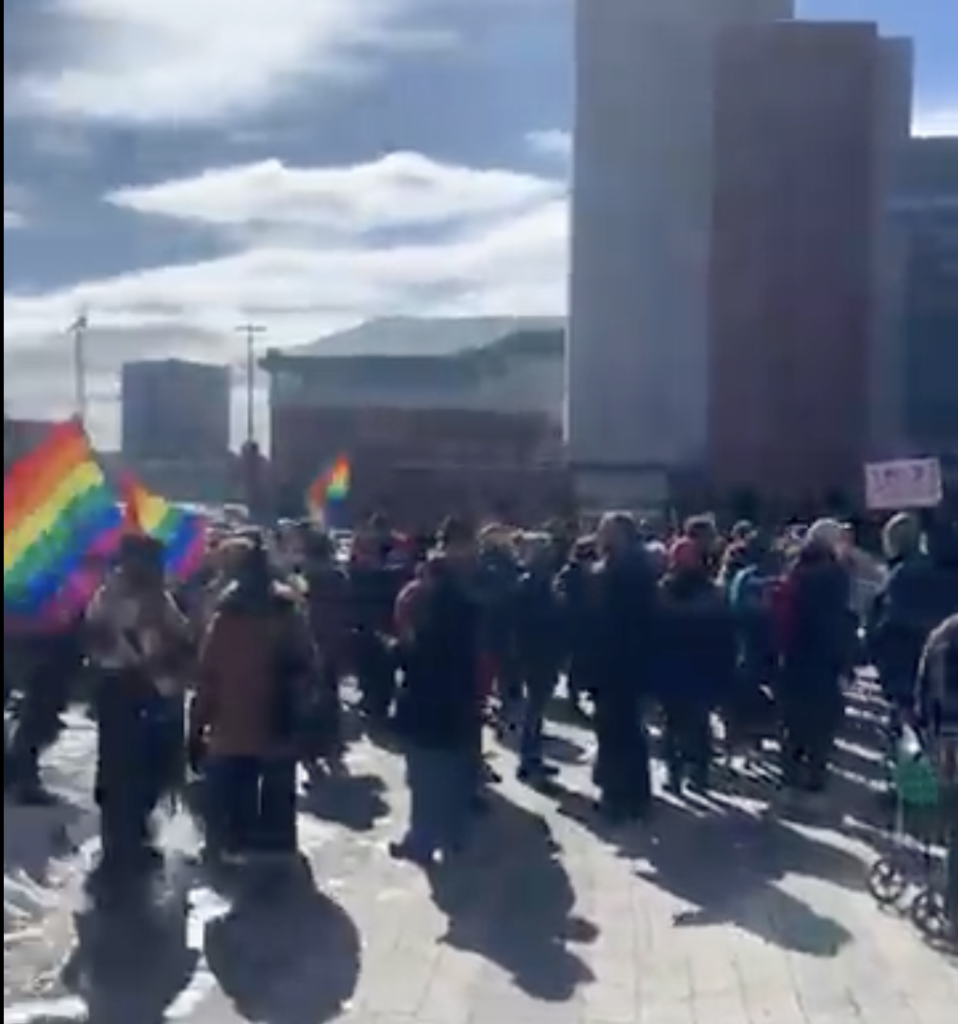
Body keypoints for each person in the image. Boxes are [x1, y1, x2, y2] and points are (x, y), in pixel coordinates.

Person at [192, 536, 316, 863]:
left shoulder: (225, 616)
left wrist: (196, 726)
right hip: (279, 721)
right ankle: (275, 850)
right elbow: (308, 665)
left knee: (232, 794)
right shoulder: (288, 611)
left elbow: (208, 677)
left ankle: (231, 846)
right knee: (276, 793)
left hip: (231, 726)